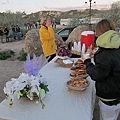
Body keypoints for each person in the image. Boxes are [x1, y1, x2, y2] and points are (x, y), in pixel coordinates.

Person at [82, 19, 120, 120]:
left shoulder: (105, 53)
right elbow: (111, 62)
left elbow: (96, 75)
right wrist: (97, 54)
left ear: (100, 32)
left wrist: (87, 62)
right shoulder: (116, 45)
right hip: (117, 92)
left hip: (109, 96)